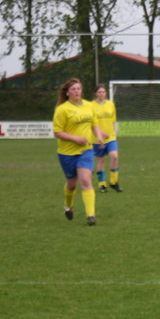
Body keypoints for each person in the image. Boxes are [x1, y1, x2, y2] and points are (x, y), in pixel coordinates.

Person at [53, 78, 104, 225]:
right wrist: (75, 138)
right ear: (67, 92)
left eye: (79, 88)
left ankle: (91, 215)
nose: (77, 91)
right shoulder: (62, 109)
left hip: (86, 150)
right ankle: (68, 206)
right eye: (73, 89)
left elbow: (94, 123)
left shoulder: (89, 106)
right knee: (72, 185)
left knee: (86, 180)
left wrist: (98, 136)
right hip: (67, 153)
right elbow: (57, 132)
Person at [91, 84, 122, 193]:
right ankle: (102, 185)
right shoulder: (91, 106)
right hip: (97, 138)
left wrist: (114, 133)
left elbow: (113, 120)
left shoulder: (110, 104)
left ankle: (113, 182)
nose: (101, 94)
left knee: (114, 156)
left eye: (103, 92)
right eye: (99, 92)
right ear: (96, 94)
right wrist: (100, 133)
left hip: (110, 137)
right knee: (101, 160)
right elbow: (91, 124)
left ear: (106, 93)